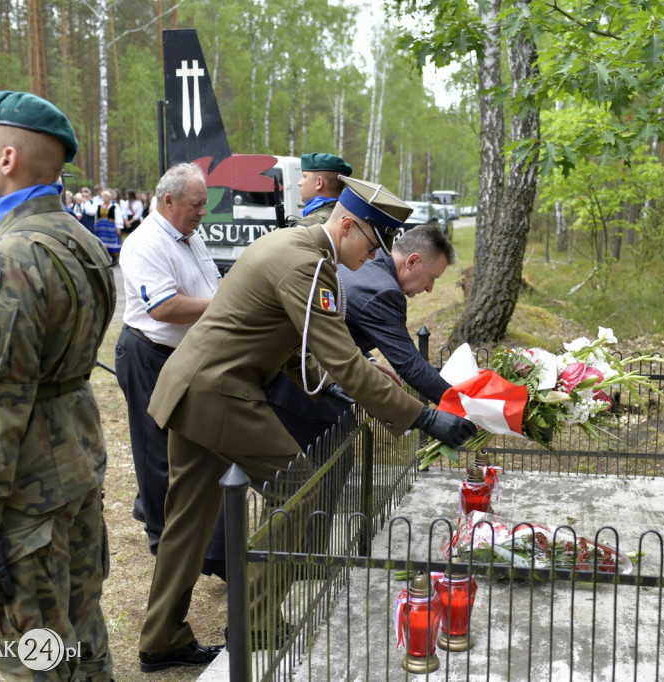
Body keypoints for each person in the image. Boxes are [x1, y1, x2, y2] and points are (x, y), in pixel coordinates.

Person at [137, 175, 476, 672]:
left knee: (187, 524)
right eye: (372, 243)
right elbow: (343, 360)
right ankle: (252, 620)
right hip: (220, 393)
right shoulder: (308, 265)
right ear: (346, 225)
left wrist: (344, 379)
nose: (372, 256)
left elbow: (296, 348)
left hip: (194, 387)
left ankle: (160, 639)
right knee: (303, 492)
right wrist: (425, 417)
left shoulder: (297, 247)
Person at [0, 91, 115, 680]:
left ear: (9, 157)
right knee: (83, 631)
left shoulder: (11, 258)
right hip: (73, 463)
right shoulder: (78, 238)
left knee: (32, 656)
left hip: (23, 490)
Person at [268, 223, 455, 451]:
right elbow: (410, 366)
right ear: (412, 261)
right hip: (298, 388)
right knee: (325, 471)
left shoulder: (368, 266)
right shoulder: (383, 291)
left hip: (291, 377)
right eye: (432, 277)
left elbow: (341, 325)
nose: (430, 289)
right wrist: (460, 403)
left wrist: (369, 360)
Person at [115, 162, 221, 560]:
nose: (202, 212)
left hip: (182, 356)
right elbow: (164, 307)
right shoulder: (145, 242)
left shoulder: (191, 236)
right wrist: (222, 307)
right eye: (196, 204)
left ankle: (186, 530)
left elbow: (211, 283)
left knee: (186, 448)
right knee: (156, 453)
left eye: (204, 204)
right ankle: (163, 541)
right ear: (169, 199)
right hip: (149, 355)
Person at [296, 152, 353, 226]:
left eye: (304, 176)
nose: (299, 183)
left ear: (319, 182)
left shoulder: (309, 224)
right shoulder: (347, 218)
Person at [94, 189, 121, 263]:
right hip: (101, 228)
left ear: (110, 198)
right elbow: (97, 216)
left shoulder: (114, 206)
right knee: (102, 242)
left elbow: (118, 216)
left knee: (112, 242)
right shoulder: (100, 205)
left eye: (106, 197)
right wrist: (96, 225)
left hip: (110, 227)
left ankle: (114, 258)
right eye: (103, 197)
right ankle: (105, 258)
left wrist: (118, 228)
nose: (104, 198)